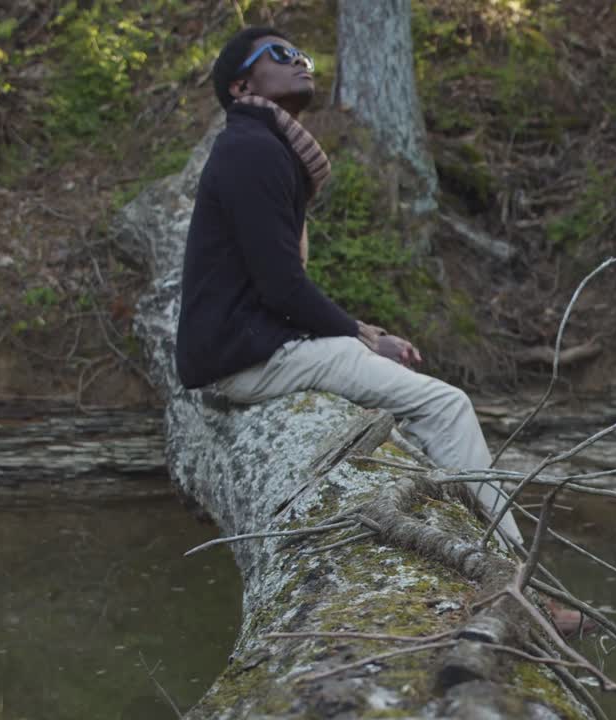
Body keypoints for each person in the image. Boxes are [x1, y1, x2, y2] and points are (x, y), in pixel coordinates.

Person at [174, 27, 523, 549]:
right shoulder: (252, 150)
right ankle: (509, 570)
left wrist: (356, 336)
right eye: (281, 54)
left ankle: (451, 523)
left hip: (244, 350)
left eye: (303, 52)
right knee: (446, 407)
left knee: (404, 402)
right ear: (243, 85)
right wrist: (361, 335)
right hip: (245, 360)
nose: (300, 61)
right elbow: (281, 286)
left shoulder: (256, 145)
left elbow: (276, 285)